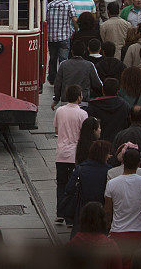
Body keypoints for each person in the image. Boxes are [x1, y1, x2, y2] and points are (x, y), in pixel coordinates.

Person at [104, 147, 141, 260]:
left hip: (118, 231)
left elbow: (108, 211)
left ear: (123, 161)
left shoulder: (112, 184)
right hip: (139, 231)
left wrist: (107, 226)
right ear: (139, 163)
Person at [53, 85, 89, 223]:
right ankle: (70, 216)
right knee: (73, 185)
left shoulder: (60, 111)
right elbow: (84, 134)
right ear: (79, 96)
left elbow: (56, 130)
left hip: (61, 154)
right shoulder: (82, 114)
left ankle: (60, 213)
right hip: (75, 154)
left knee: (61, 184)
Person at [63, 141, 113, 237]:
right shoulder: (109, 171)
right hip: (101, 210)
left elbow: (69, 189)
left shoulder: (81, 169)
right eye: (108, 153)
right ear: (104, 154)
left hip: (82, 210)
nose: (110, 156)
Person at [51, 40, 103, 106]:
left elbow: (58, 84)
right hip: (83, 101)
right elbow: (97, 84)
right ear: (84, 52)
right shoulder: (89, 65)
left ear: (72, 52)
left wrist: (56, 99)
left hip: (66, 101)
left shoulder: (63, 65)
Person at [88, 78, 131, 143]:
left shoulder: (93, 105)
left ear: (103, 90)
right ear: (118, 91)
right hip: (118, 143)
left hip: (99, 144)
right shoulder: (125, 105)